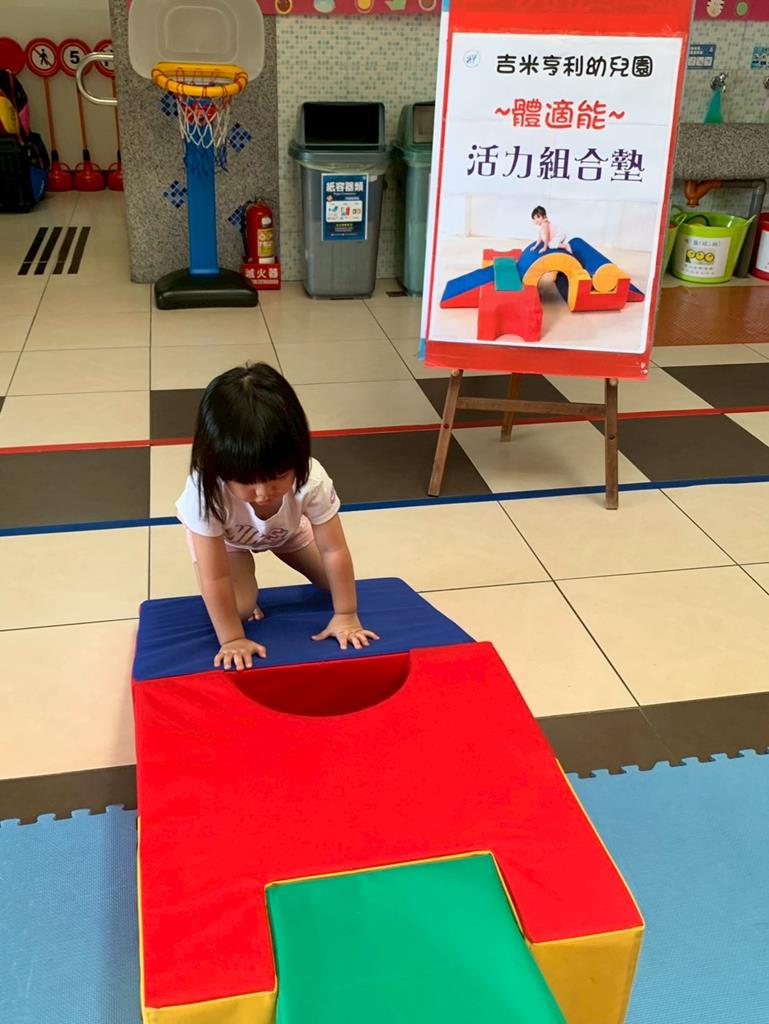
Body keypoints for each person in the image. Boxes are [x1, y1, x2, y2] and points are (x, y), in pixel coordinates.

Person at [176, 362, 379, 671]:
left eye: (276, 478)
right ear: (217, 465)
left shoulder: (312, 479)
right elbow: (214, 577)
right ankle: (245, 587)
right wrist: (232, 638)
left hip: (287, 531)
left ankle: (267, 568)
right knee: (239, 607)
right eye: (245, 482)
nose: (262, 493)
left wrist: (346, 615)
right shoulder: (205, 491)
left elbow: (334, 550)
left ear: (298, 457)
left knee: (335, 583)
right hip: (229, 542)